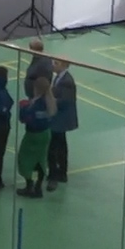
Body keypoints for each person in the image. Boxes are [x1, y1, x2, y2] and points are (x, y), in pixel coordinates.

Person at [16, 74, 55, 197]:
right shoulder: (50, 103)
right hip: (45, 134)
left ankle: (29, 185)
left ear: (36, 88)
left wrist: (23, 107)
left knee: (24, 159)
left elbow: (25, 119)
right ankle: (38, 187)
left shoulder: (36, 105)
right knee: (41, 160)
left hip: (33, 136)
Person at [47, 57, 79, 188]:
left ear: (64, 65)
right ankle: (59, 171)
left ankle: (57, 173)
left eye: (56, 63)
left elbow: (65, 101)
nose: (53, 65)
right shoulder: (59, 77)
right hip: (58, 118)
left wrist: (49, 101)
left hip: (61, 119)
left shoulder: (67, 81)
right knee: (59, 145)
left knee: (55, 147)